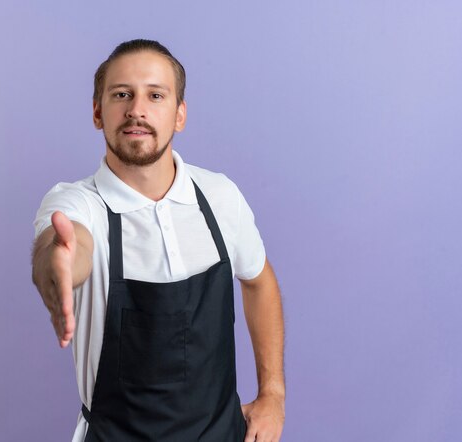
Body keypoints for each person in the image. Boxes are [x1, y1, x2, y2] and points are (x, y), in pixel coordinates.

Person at [31, 39, 285, 442]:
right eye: (121, 95)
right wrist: (58, 263)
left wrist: (273, 394)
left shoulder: (219, 196)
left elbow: (259, 281)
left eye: (155, 95)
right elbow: (64, 244)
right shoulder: (78, 204)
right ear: (98, 112)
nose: (137, 109)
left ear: (179, 114)